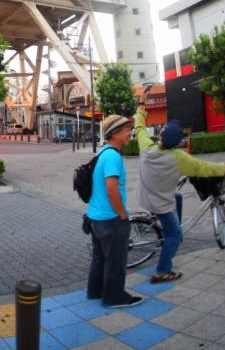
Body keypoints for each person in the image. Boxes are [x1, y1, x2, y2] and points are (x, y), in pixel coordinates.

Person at [135, 92, 225, 283]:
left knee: (177, 197)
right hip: (160, 203)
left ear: (161, 136)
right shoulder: (178, 158)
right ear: (177, 143)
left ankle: (171, 229)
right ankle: (162, 271)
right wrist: (223, 168)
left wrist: (141, 104)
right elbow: (202, 167)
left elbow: (139, 127)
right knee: (173, 234)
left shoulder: (146, 147)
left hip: (144, 196)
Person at [86, 115, 143, 308]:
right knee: (116, 260)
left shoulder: (103, 153)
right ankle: (113, 297)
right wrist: (122, 215)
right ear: (115, 133)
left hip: (95, 218)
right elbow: (112, 190)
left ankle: (95, 292)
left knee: (100, 258)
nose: (130, 133)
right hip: (110, 219)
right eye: (127, 130)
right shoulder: (112, 157)